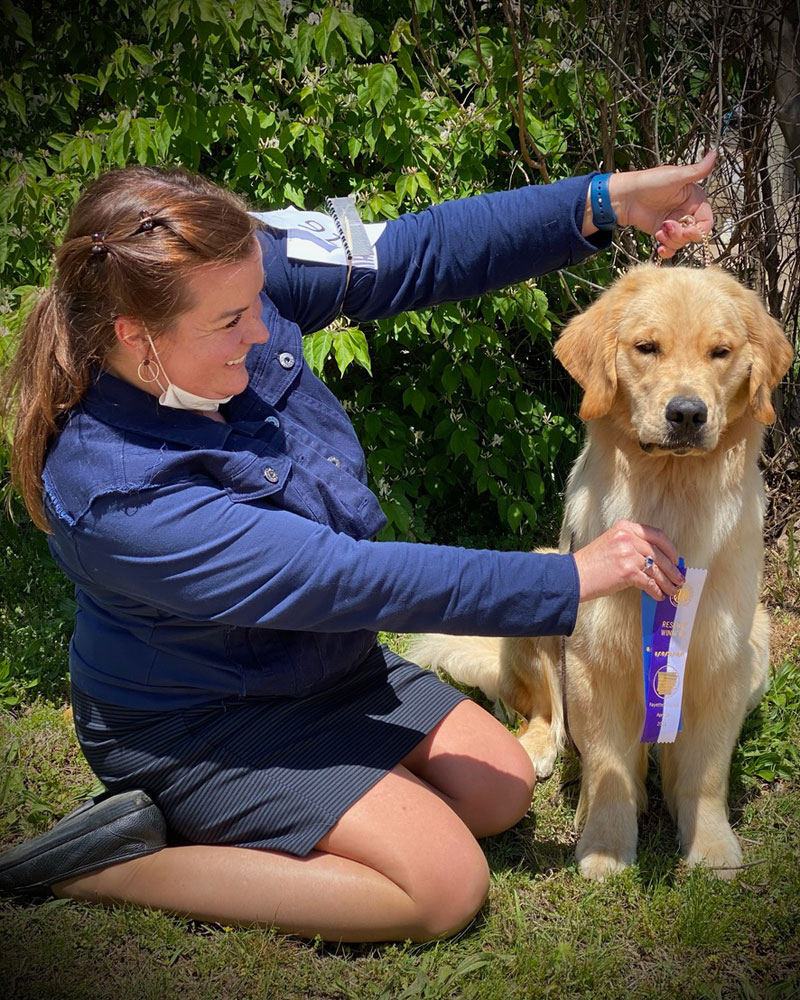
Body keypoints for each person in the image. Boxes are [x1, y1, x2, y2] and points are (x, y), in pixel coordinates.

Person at [0, 152, 715, 942]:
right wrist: (573, 577)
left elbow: (411, 252)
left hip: (326, 662)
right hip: (201, 720)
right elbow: (347, 580)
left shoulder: (230, 267)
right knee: (443, 888)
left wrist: (604, 200)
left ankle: (313, 805)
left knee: (503, 788)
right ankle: (108, 865)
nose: (264, 325)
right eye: (231, 323)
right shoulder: (119, 494)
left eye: (258, 301)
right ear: (136, 338)